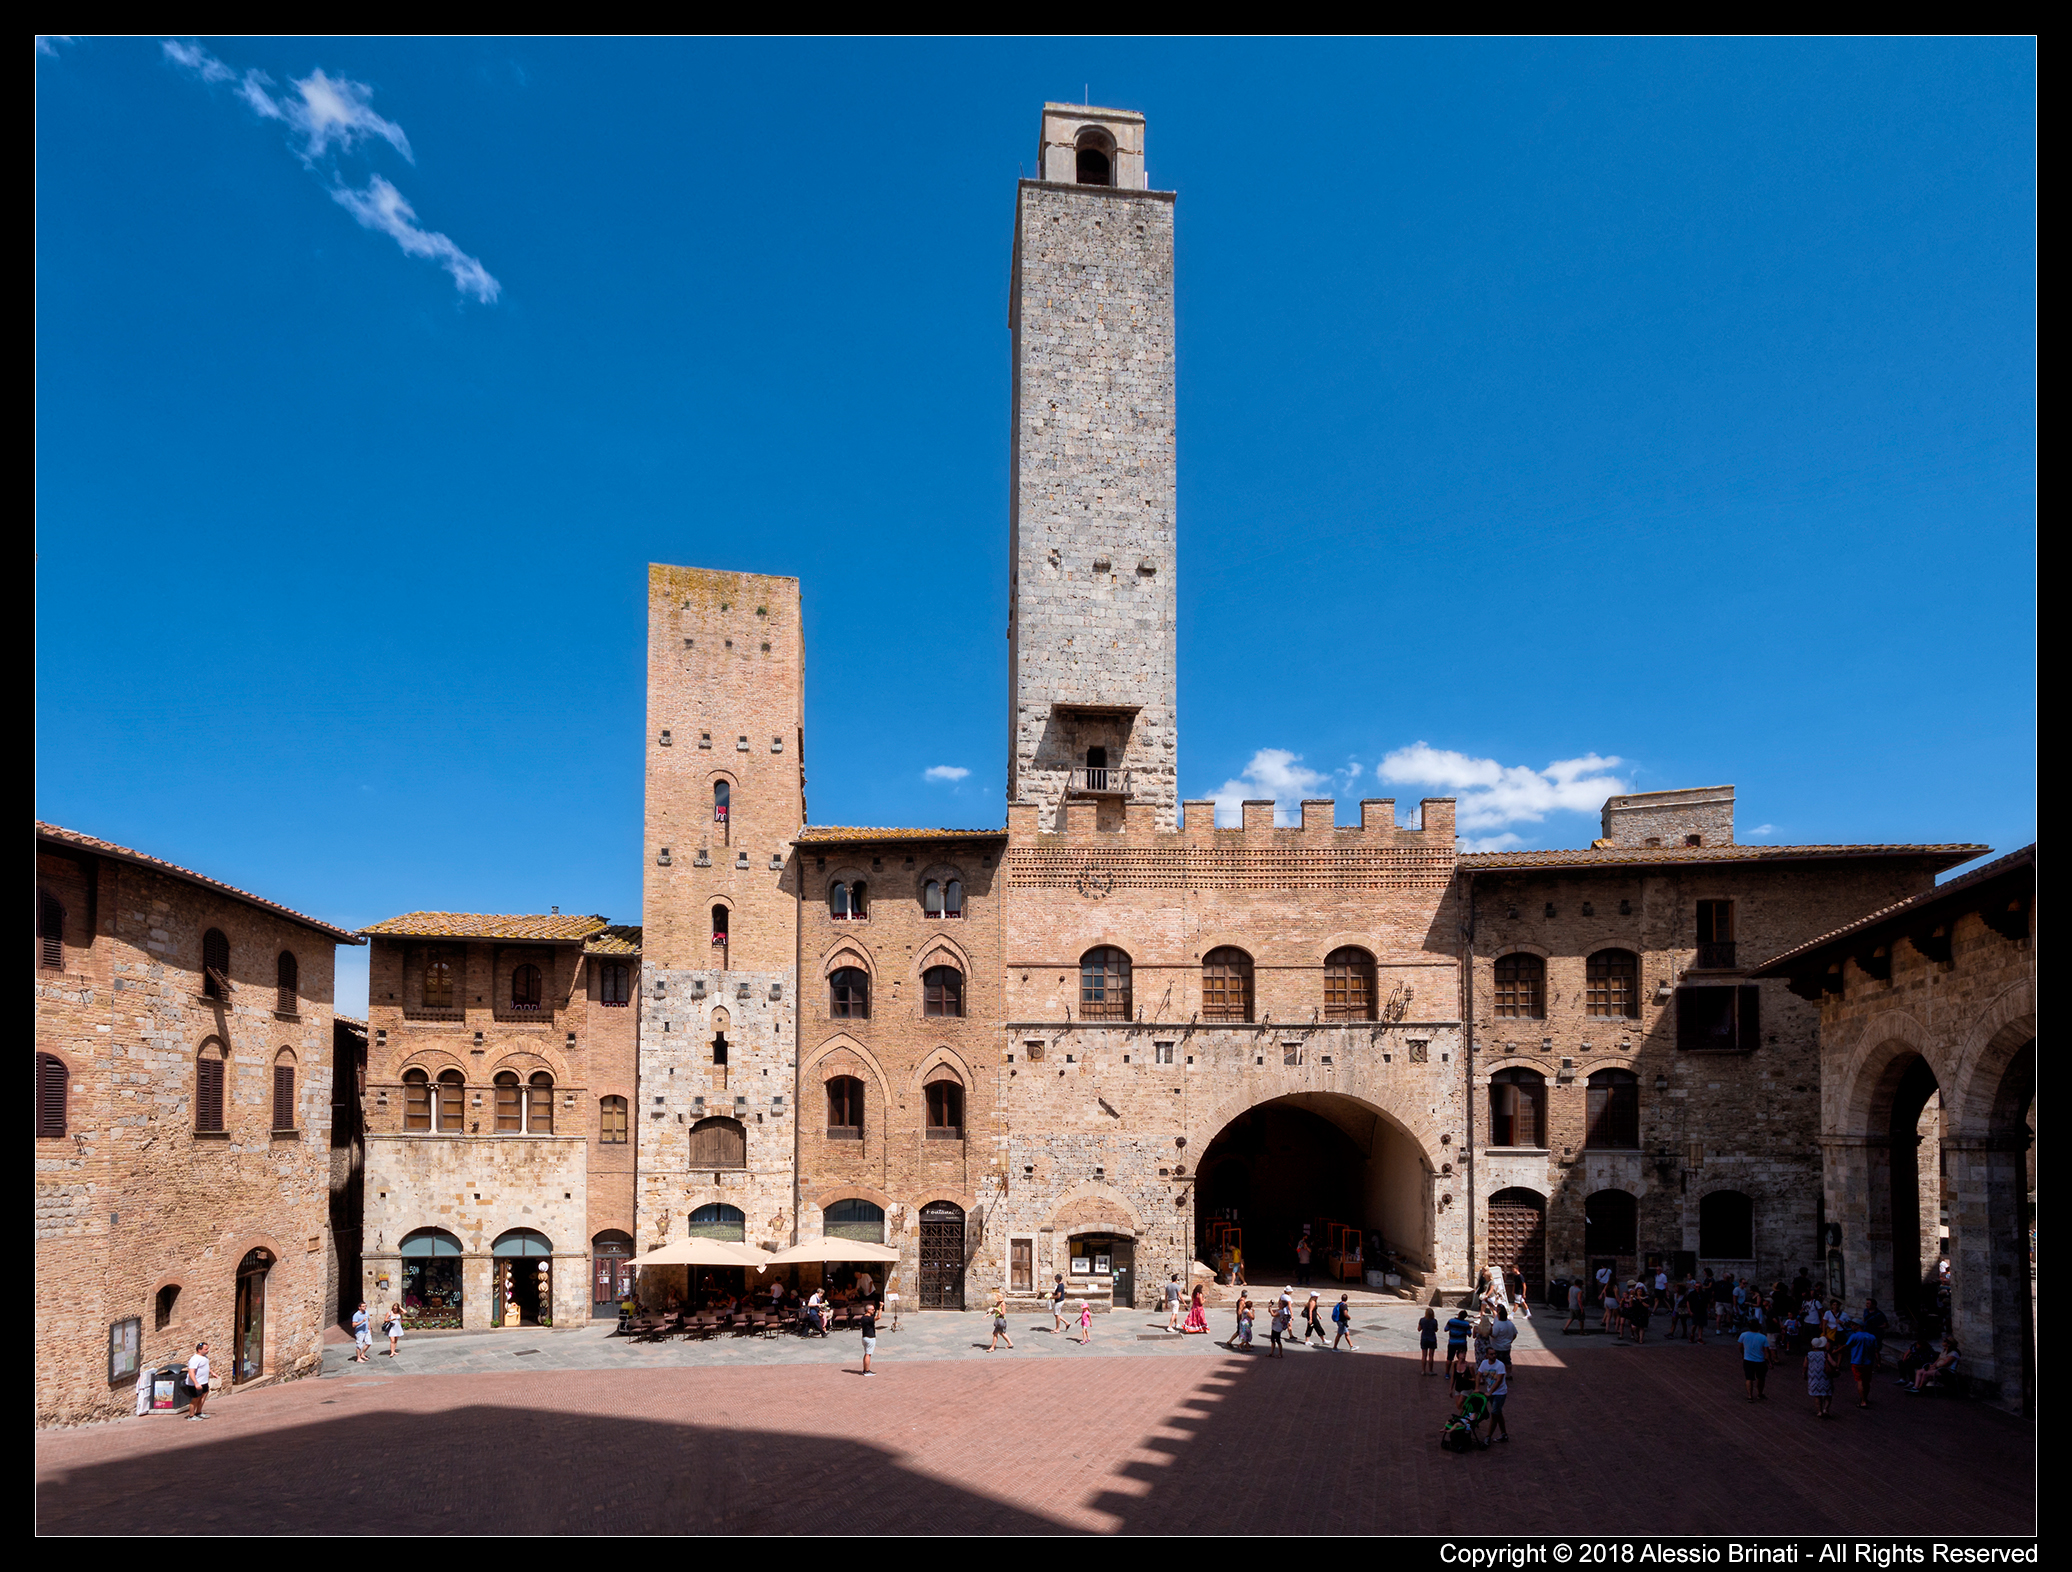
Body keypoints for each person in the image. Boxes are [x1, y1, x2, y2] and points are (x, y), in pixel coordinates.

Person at [1477, 1349, 1511, 1441]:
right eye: (1491, 1354)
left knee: (1495, 1413)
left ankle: (1488, 1436)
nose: (1494, 1356)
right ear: (1487, 1355)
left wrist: (1490, 1392)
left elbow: (1499, 1381)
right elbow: (1478, 1375)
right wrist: (1477, 1388)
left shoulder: (1500, 1365)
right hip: (1491, 1393)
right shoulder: (1484, 1363)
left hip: (1500, 1393)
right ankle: (1504, 1434)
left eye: (1495, 1354)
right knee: (1498, 1413)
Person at [1845, 1321, 1880, 1408]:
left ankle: (1863, 1401)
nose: (1851, 1326)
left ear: (1858, 1326)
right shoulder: (1872, 1337)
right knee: (1867, 1381)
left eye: (1853, 1325)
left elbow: (1846, 1346)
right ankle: (1865, 1398)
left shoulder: (1854, 1336)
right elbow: (1876, 1351)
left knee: (1860, 1381)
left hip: (1857, 1361)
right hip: (1868, 1362)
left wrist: (1835, 1352)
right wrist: (1878, 1362)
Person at [1805, 1335, 1837, 1418]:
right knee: (1828, 1394)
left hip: (1813, 1378)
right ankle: (1826, 1409)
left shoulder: (1809, 1354)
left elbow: (1805, 1366)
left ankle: (1819, 1411)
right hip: (1826, 1376)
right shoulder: (1825, 1354)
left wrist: (1804, 1373)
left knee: (1817, 1395)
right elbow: (1834, 1364)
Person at [1738, 1322, 1771, 1401]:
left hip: (1748, 1360)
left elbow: (1740, 1346)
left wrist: (1742, 1354)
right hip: (1760, 1360)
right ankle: (1759, 1393)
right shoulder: (1763, 1337)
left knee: (1749, 1378)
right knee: (1761, 1378)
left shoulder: (1743, 1335)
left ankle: (1750, 1396)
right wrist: (1769, 1361)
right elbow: (1766, 1351)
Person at [185, 1341, 212, 1420]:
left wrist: (212, 1373)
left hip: (204, 1382)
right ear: (199, 1350)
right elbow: (191, 1371)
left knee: (203, 1396)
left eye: (207, 1348)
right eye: (206, 1349)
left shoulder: (204, 1357)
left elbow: (205, 1367)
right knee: (195, 1399)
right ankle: (191, 1416)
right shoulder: (195, 1359)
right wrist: (196, 1383)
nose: (208, 1350)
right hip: (195, 1384)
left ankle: (199, 1412)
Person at [1490, 1302, 1517, 1371]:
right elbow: (1515, 1334)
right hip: (1507, 1346)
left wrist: (1489, 1331)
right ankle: (1509, 1374)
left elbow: (1494, 1335)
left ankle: (1498, 1373)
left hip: (1498, 1347)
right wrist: (1510, 1341)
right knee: (1507, 1361)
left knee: (1497, 1361)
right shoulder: (1510, 1324)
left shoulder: (1498, 1325)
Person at [1444, 1306, 1473, 1373]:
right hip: (1462, 1343)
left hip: (1452, 1342)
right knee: (1461, 1358)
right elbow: (1469, 1334)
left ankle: (1447, 1373)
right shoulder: (1466, 1324)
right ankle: (1460, 1371)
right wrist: (1469, 1328)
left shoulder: (1451, 1321)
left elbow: (1446, 1329)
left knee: (1449, 1358)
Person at [858, 1298, 878, 1375]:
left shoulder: (863, 1318)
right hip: (870, 1338)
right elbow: (878, 1317)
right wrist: (880, 1308)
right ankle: (867, 1370)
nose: (873, 1311)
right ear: (868, 1310)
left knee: (866, 1353)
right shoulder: (868, 1318)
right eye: (872, 1310)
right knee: (868, 1354)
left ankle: (865, 1369)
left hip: (864, 1337)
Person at [1418, 1307, 1440, 1374]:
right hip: (1432, 1338)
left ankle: (1423, 1371)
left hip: (1424, 1338)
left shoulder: (1422, 1320)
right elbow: (1436, 1329)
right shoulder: (1434, 1321)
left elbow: (1419, 1329)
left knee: (1424, 1355)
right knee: (1431, 1356)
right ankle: (1430, 1370)